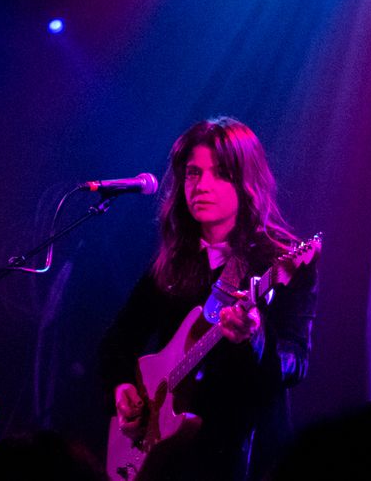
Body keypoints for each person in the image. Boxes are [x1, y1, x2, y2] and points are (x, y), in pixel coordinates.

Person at [100, 117, 317, 481]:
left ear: (246, 181)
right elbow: (116, 344)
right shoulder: (172, 262)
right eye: (193, 173)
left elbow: (295, 364)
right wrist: (122, 388)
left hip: (242, 457)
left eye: (219, 174)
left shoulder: (279, 261)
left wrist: (256, 336)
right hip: (170, 461)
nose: (201, 186)